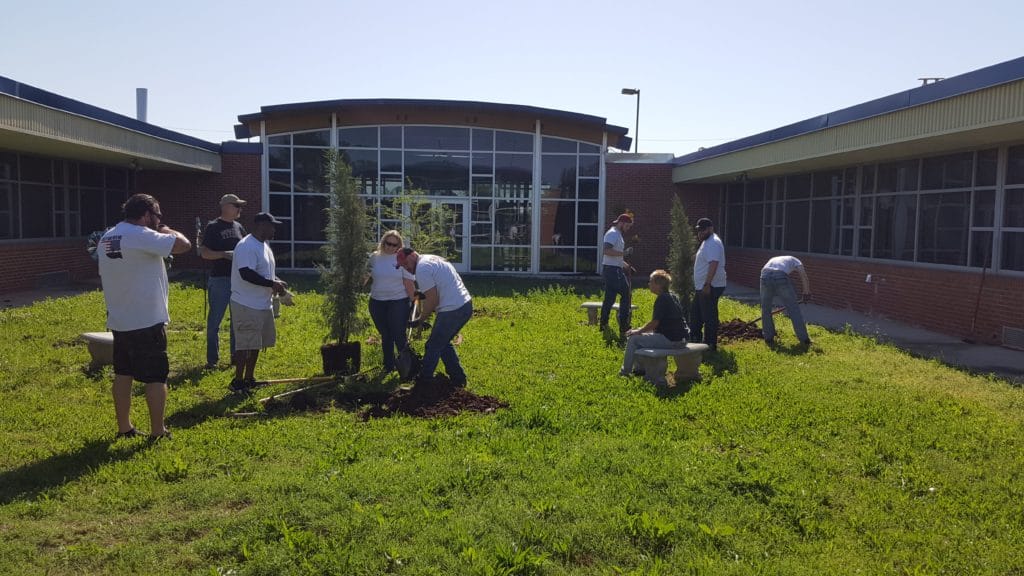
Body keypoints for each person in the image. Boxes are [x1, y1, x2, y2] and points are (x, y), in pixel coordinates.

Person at [97, 193, 191, 440]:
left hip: (120, 318)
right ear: (147, 214)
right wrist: (169, 230)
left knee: (123, 374)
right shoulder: (142, 235)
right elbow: (184, 246)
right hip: (147, 320)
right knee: (156, 376)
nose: (159, 220)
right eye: (157, 215)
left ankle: (124, 427)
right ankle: (158, 430)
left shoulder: (108, 236)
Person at [396, 248, 472, 388]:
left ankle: (424, 382)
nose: (406, 267)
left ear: (413, 255)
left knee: (432, 345)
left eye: (406, 263)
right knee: (442, 343)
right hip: (464, 304)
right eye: (403, 266)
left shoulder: (422, 269)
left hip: (452, 309)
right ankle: (458, 379)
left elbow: (433, 300)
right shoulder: (432, 259)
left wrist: (420, 320)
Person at [229, 212, 287, 392]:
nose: (274, 229)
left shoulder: (264, 246)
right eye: (272, 226)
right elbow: (246, 273)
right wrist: (271, 283)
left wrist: (276, 281)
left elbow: (263, 273)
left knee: (256, 343)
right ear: (261, 225)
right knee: (244, 345)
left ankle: (249, 378)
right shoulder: (247, 246)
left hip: (262, 303)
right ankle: (237, 382)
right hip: (246, 304)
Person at [200, 193, 247, 369]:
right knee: (215, 321)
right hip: (220, 279)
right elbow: (204, 252)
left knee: (237, 321)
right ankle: (212, 360)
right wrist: (223, 254)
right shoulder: (213, 227)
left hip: (238, 280)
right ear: (226, 207)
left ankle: (236, 356)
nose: (239, 209)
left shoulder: (240, 227)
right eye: (236, 206)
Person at [620, 269, 689, 377]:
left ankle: (625, 372)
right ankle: (639, 369)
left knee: (633, 339)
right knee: (640, 335)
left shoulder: (662, 299)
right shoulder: (673, 296)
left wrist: (638, 331)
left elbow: (655, 323)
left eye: (651, 281)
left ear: (658, 285)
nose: (649, 284)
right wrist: (640, 331)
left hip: (671, 340)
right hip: (682, 339)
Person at [367, 230, 415, 373]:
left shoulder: (402, 258)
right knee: (386, 334)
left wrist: (415, 303)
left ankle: (408, 368)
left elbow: (409, 283)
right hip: (377, 302)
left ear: (399, 246)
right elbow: (365, 277)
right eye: (388, 243)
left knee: (398, 334)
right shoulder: (374, 258)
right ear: (383, 242)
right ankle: (388, 366)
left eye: (394, 245)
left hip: (398, 301)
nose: (390, 247)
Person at [760, 255, 812, 347]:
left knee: (765, 308)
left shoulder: (775, 259)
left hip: (764, 274)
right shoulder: (797, 261)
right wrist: (806, 293)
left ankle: (768, 338)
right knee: (793, 309)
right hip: (780, 275)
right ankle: (804, 339)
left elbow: (766, 270)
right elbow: (803, 276)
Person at [691, 217, 727, 351]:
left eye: (703, 230)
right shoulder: (707, 242)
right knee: (696, 313)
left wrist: (707, 284)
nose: (700, 233)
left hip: (710, 286)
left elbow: (714, 264)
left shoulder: (713, 242)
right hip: (702, 286)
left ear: (711, 229)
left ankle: (710, 345)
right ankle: (695, 340)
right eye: (699, 231)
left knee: (709, 315)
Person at [600, 213, 634, 335]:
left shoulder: (617, 234)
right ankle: (624, 327)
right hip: (613, 271)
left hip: (612, 269)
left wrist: (626, 265)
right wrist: (624, 253)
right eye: (627, 226)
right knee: (626, 295)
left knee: (610, 298)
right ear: (621, 223)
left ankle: (603, 325)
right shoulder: (613, 234)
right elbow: (606, 250)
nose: (628, 228)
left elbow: (615, 256)